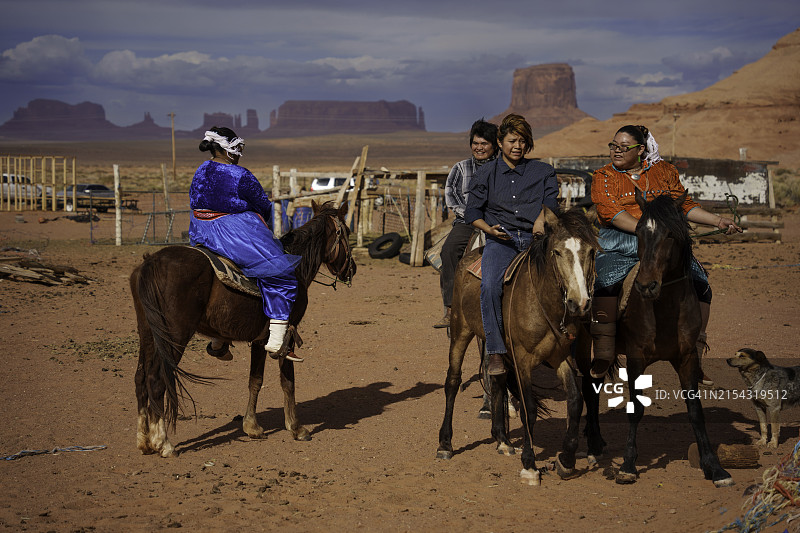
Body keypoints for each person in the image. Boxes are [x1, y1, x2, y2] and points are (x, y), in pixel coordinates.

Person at [589, 124, 742, 381]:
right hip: (620, 241)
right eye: (613, 146)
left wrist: (718, 221)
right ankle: (604, 352)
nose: (616, 151)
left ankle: (695, 350)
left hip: (662, 243)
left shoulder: (664, 172)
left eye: (623, 147)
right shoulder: (604, 177)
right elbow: (611, 214)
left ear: (640, 150)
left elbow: (685, 207)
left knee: (701, 283)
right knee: (605, 282)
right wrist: (650, 229)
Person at [188, 126, 303, 361]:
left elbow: (194, 200)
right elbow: (263, 204)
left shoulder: (201, 169)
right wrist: (262, 228)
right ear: (228, 150)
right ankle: (277, 339)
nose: (240, 154)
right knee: (280, 273)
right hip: (232, 232)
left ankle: (219, 339)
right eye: (238, 149)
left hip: (200, 230)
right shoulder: (240, 175)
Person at [464, 114, 560, 375]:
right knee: (490, 285)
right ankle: (495, 351)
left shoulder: (543, 171)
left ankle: (564, 344)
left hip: (536, 240)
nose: (517, 146)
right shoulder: (485, 173)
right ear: (500, 141)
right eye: (512, 140)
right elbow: (472, 211)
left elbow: (551, 202)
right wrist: (488, 229)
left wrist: (541, 220)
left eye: (523, 141)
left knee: (565, 282)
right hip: (501, 240)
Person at [433, 119, 499, 328]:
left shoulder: (502, 167)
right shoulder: (460, 168)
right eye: (476, 143)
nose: (479, 148)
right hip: (467, 220)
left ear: (494, 145)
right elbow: (451, 195)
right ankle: (451, 308)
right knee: (449, 251)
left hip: (497, 219)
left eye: (484, 144)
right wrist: (470, 215)